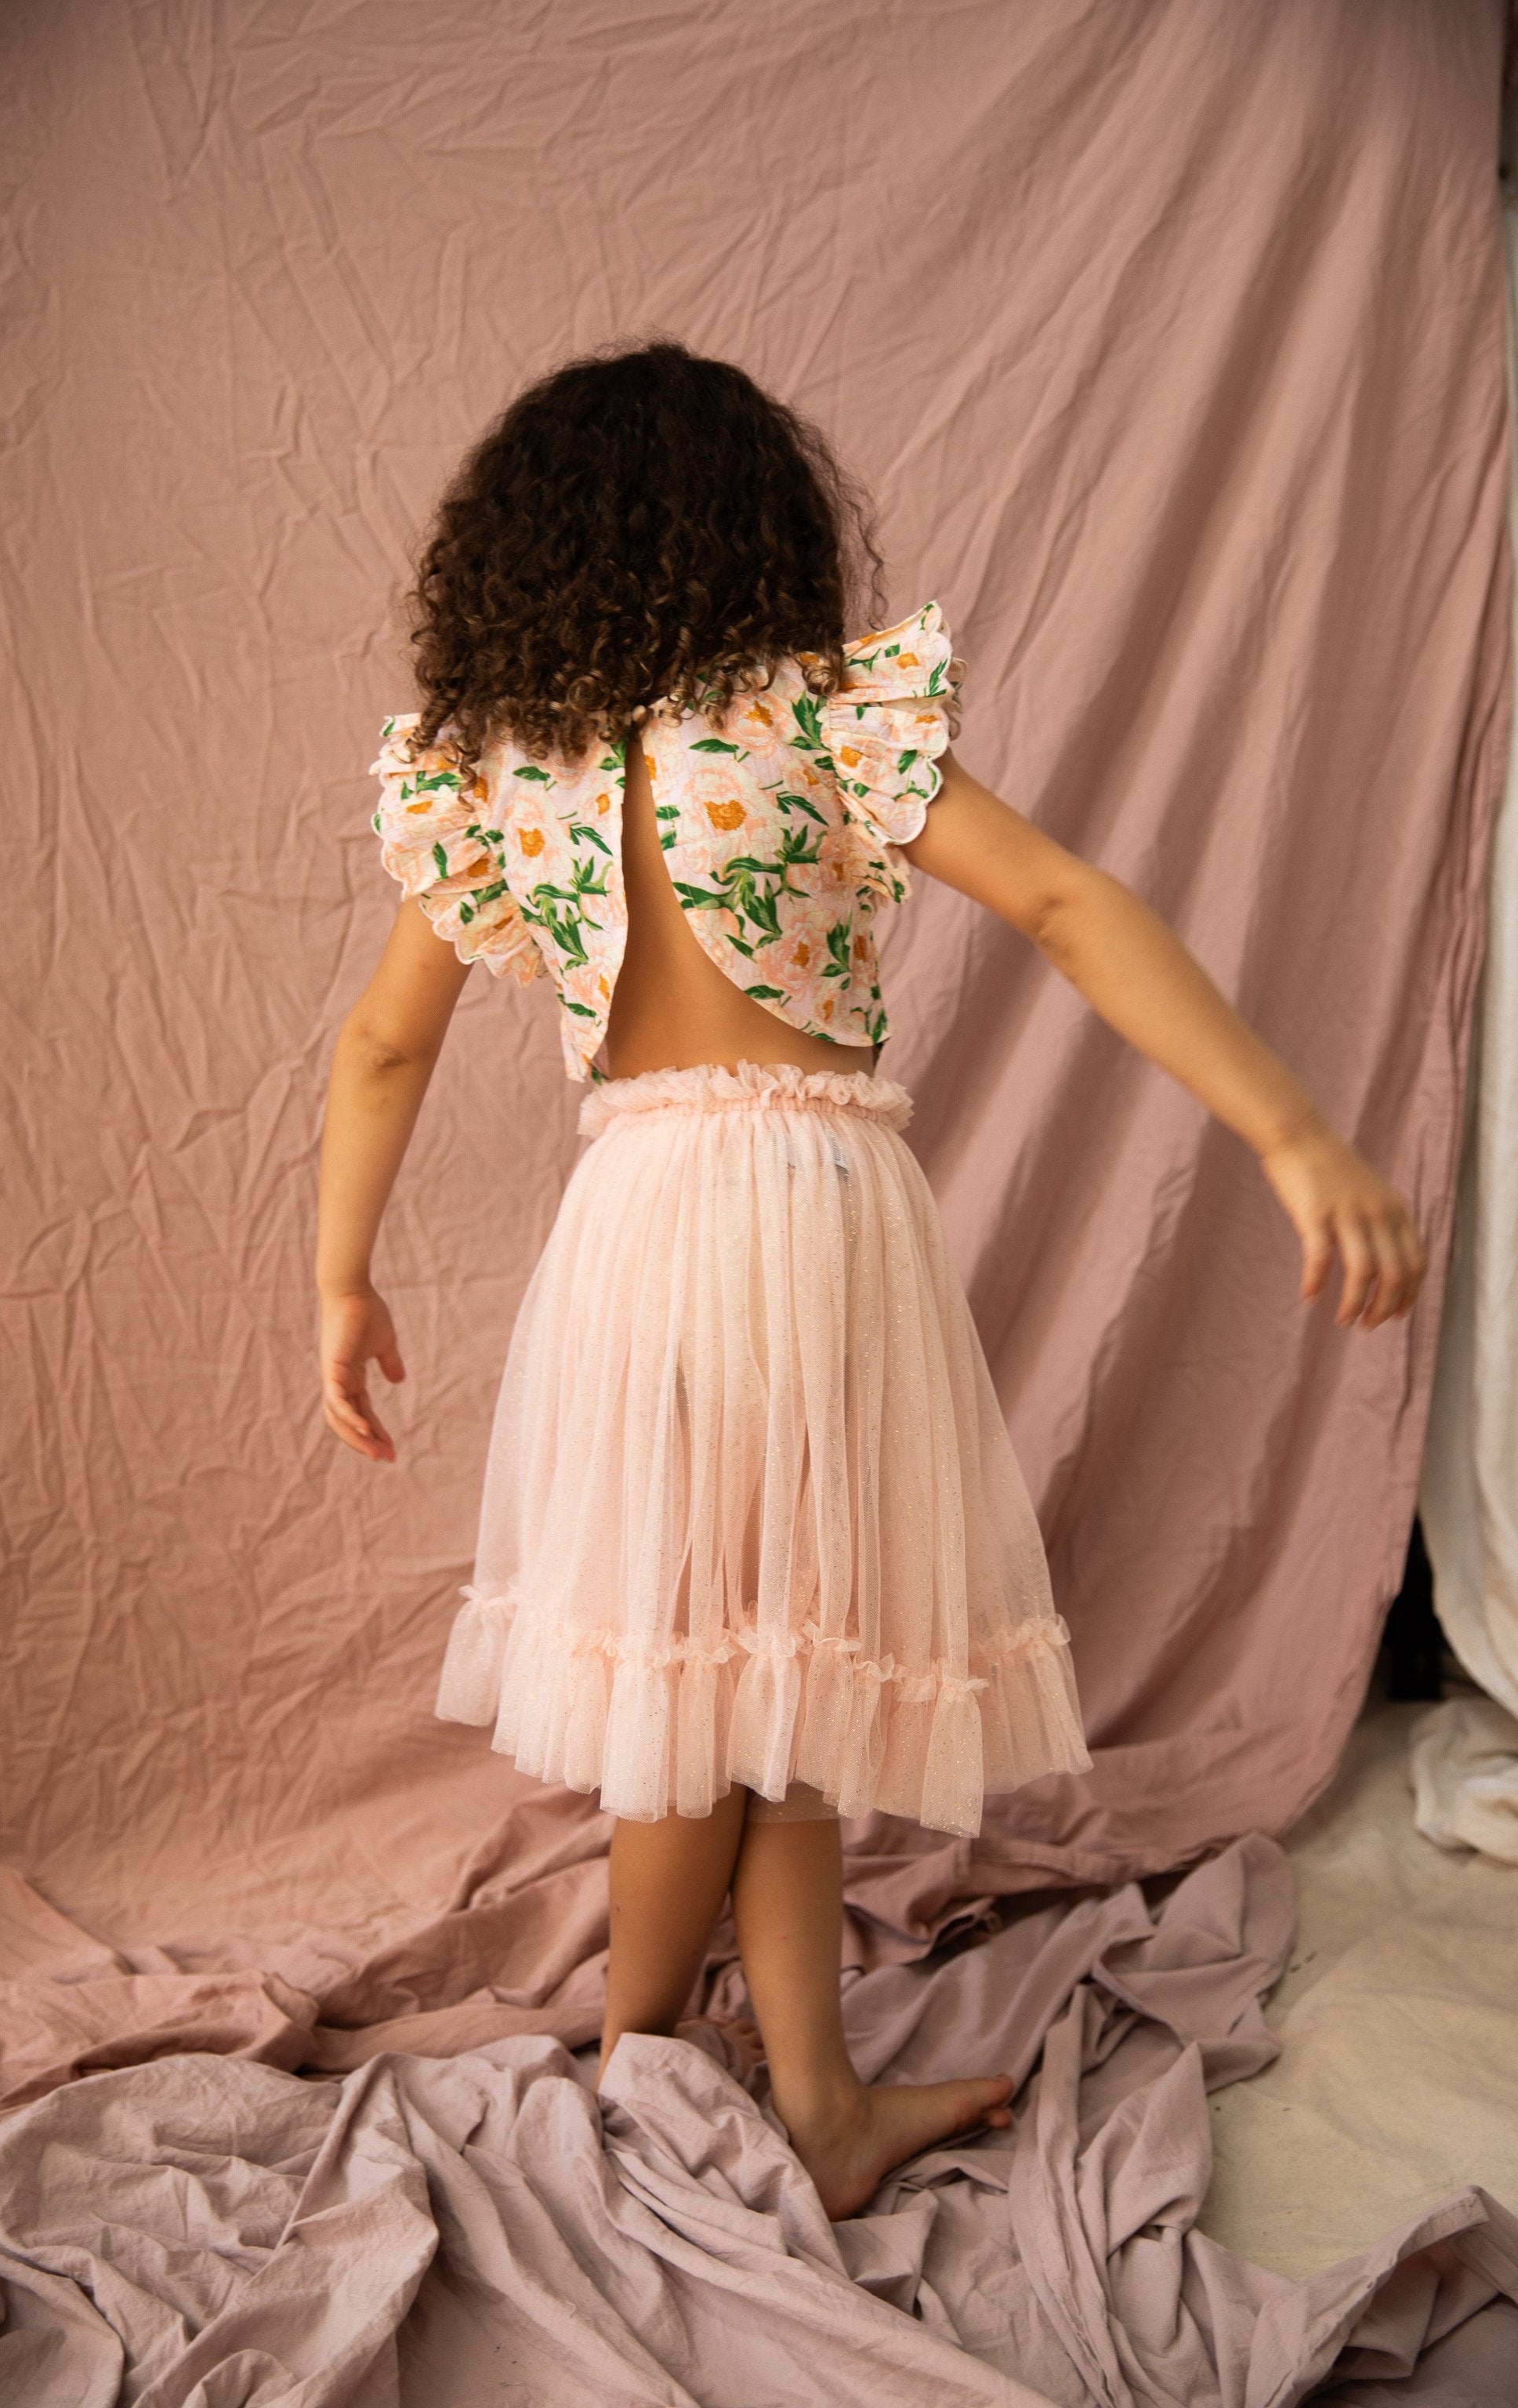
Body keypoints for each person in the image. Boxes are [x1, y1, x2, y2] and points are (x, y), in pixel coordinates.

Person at [315, 339, 1425, 2220]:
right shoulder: (824, 724)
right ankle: (643, 2058)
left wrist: (339, 1277)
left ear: (519, 559)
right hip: (816, 1218)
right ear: (764, 533)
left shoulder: (509, 778)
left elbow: (380, 1049)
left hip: (642, 1229)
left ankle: (808, 2092)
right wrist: (1288, 1131)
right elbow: (1069, 903)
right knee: (781, 1660)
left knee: (714, 1662)